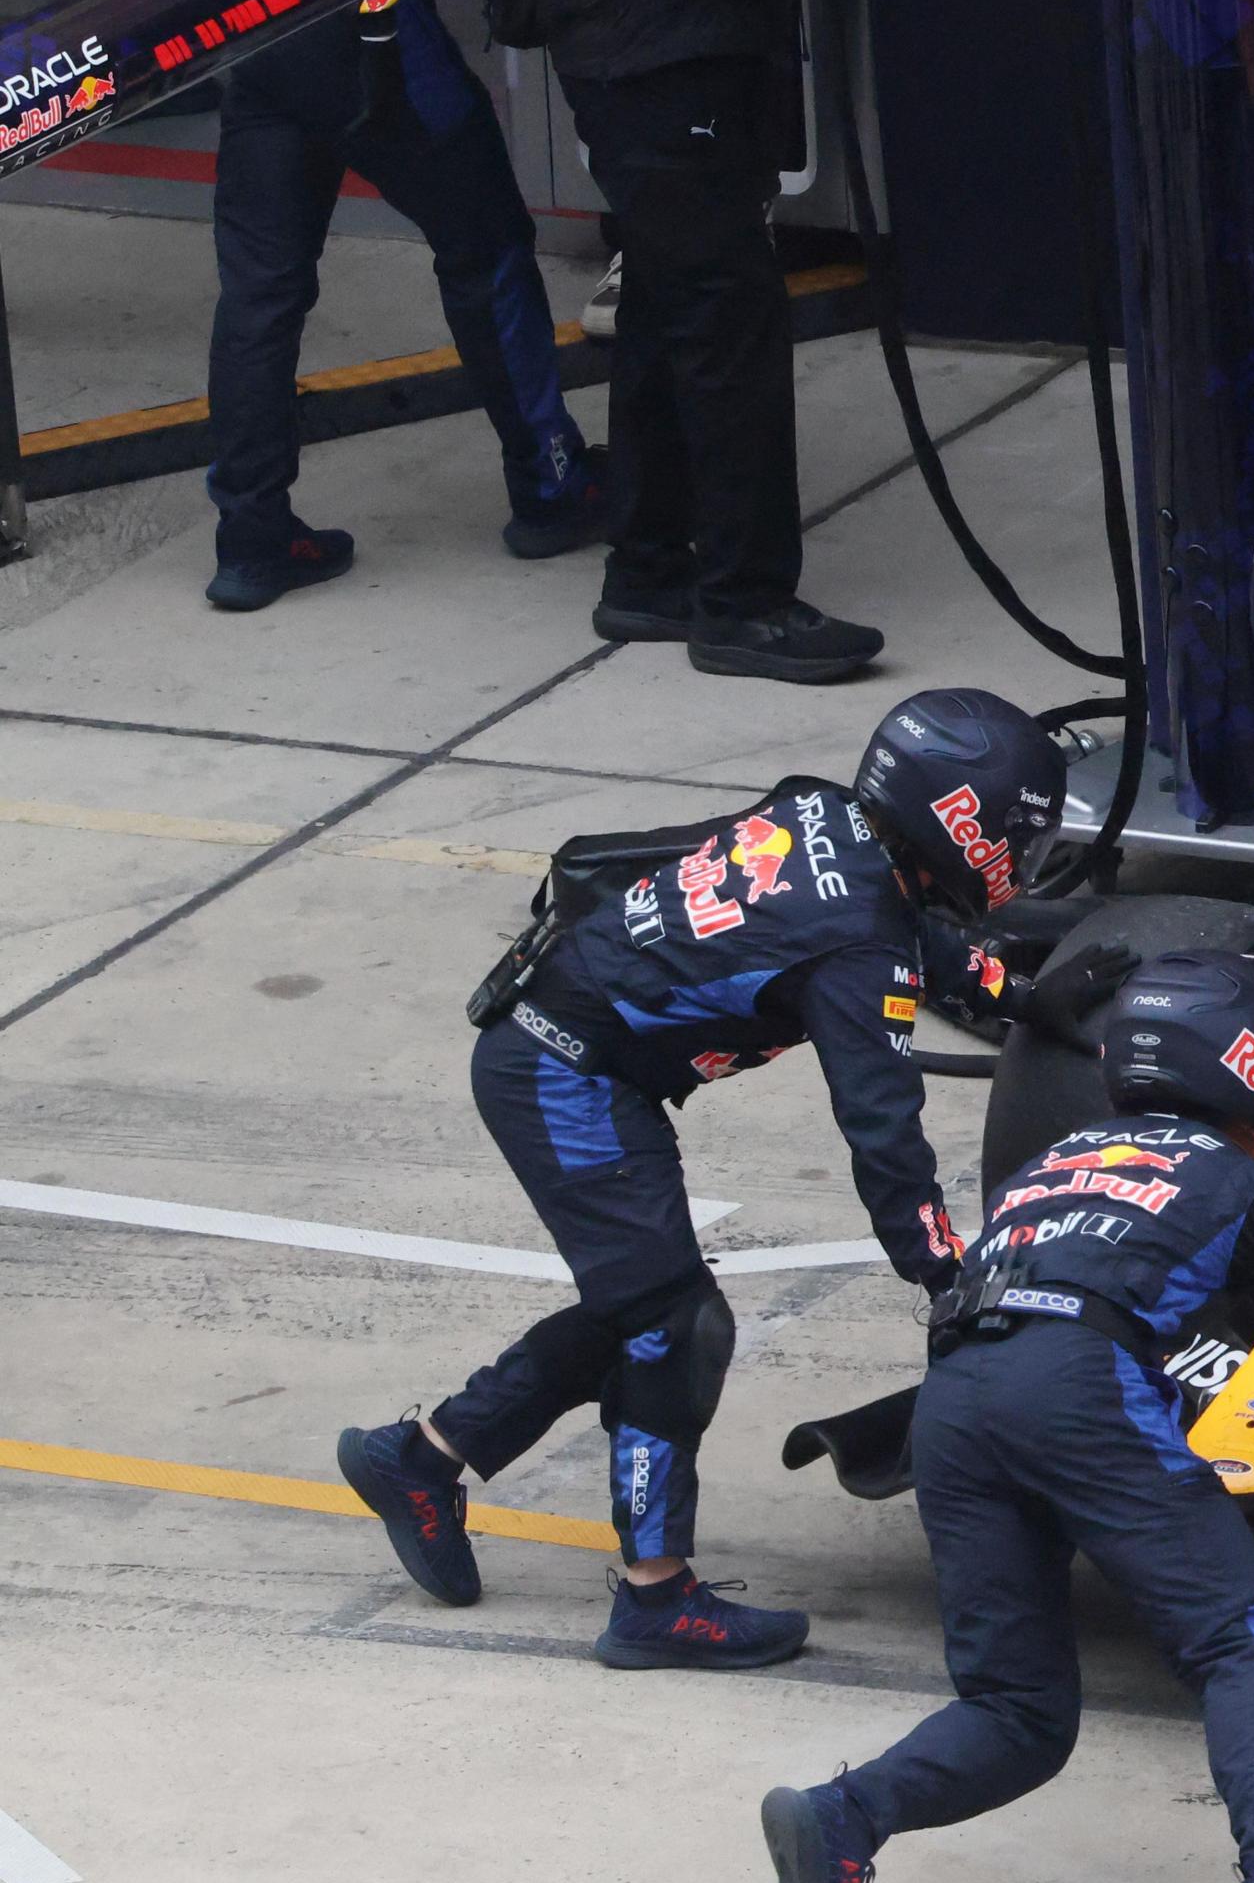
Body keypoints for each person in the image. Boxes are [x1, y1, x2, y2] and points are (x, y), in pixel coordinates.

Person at [333, 688, 1062, 1666]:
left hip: (560, 1055)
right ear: (961, 821)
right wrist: (949, 1278)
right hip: (564, 1072)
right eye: (1019, 833)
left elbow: (875, 932)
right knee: (675, 1327)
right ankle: (654, 1601)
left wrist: (1020, 994)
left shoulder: (826, 816)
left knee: (639, 1306)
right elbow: (884, 1134)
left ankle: (419, 1460)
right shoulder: (862, 943)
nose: (1027, 854)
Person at [758, 948, 1254, 1883]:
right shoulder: (1251, 1193)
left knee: (1018, 1711)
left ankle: (839, 1817)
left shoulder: (1061, 1156)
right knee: (1237, 1639)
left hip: (952, 1402)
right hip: (1076, 1388)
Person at [194, 0, 604, 611]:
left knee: (259, 292)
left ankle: (251, 536)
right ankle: (550, 483)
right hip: (361, 31)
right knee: (488, 238)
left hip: (256, 26)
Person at [533, 0, 880, 682]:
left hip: (715, 28)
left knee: (663, 295)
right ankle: (744, 603)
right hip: (644, 38)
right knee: (730, 312)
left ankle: (647, 570)